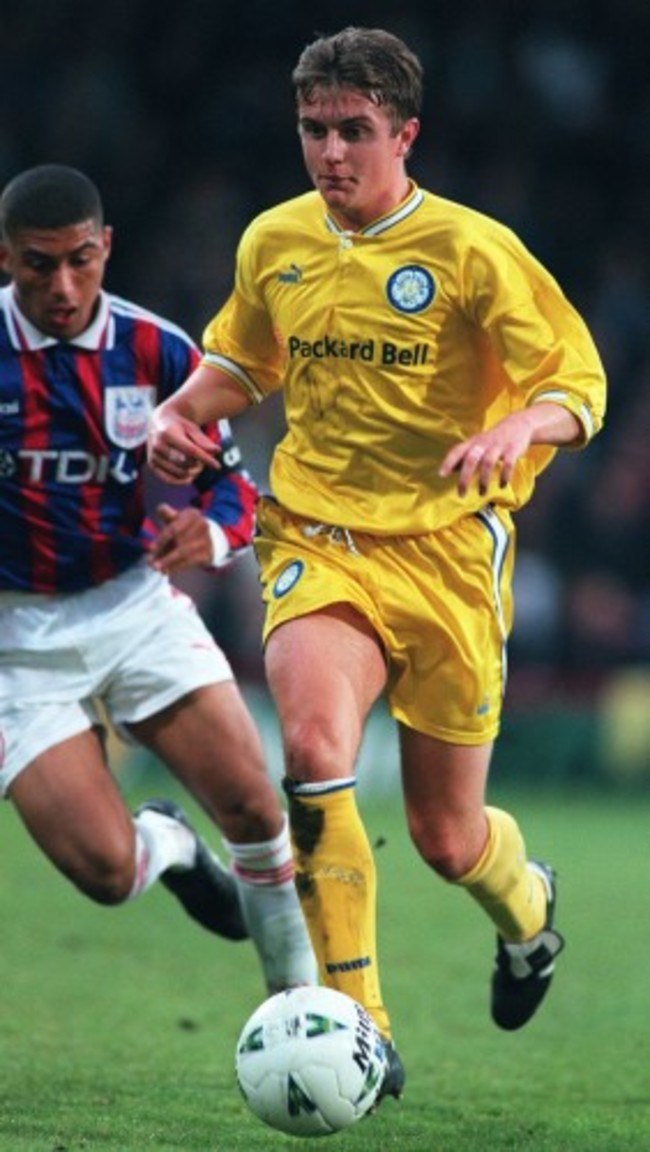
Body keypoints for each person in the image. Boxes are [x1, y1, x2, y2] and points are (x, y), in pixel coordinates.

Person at [147, 26, 607, 1102]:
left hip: (449, 555)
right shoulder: (274, 240)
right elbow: (241, 361)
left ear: (405, 134)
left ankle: (526, 912)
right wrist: (180, 410)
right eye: (313, 130)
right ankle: (359, 1021)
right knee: (311, 748)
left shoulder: (470, 250)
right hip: (316, 534)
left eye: (354, 132)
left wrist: (517, 431)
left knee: (446, 838)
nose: (330, 154)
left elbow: (574, 383)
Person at [0, 163, 316, 997]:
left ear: (106, 248)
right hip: (13, 646)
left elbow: (238, 488)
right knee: (107, 872)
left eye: (80, 260)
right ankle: (169, 845)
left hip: (133, 605)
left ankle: (308, 1009)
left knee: (256, 810)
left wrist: (207, 529)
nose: (63, 286)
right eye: (39, 265)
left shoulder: (158, 349)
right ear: (5, 258)